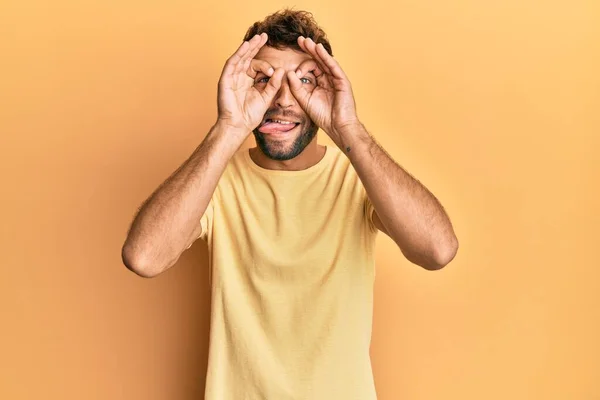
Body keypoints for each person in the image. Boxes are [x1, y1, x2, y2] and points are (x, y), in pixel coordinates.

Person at [121, 9, 458, 400]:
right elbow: (144, 257)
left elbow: (438, 250)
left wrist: (348, 127)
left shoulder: (360, 177)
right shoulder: (215, 180)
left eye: (304, 81)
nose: (282, 99)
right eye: (263, 79)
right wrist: (228, 129)